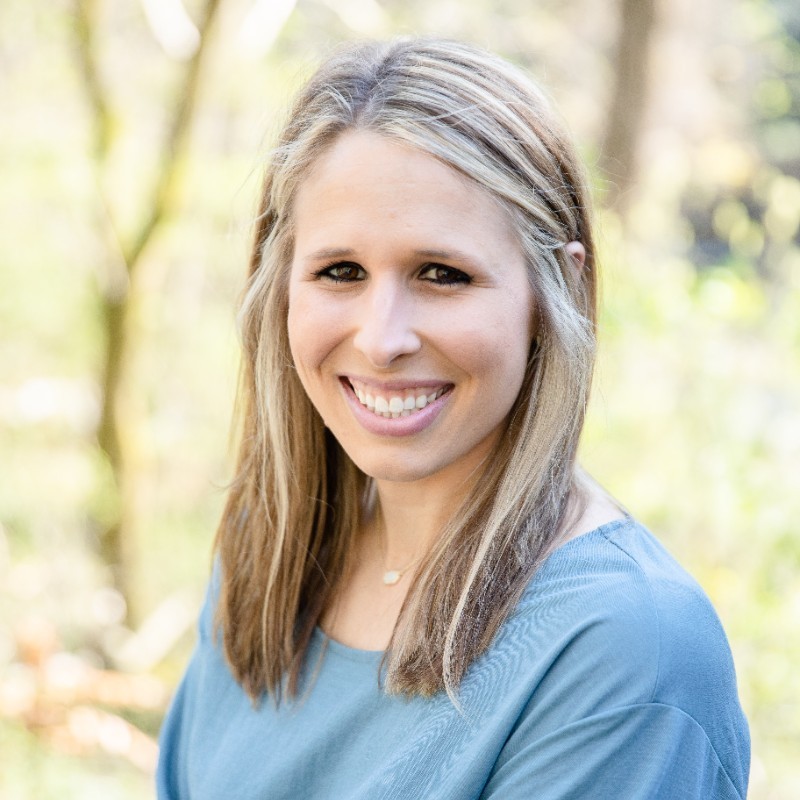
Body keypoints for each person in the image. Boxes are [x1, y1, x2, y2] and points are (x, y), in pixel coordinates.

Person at [156, 38, 750, 799]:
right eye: (341, 271)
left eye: (443, 274)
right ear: (283, 286)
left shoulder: (627, 650)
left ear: (551, 291)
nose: (382, 337)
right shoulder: (268, 559)